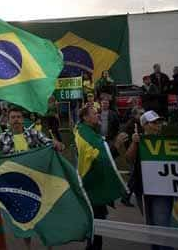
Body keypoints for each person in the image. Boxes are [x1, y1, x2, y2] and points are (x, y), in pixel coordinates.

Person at [0, 107, 62, 250]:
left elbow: (48, 143)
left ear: (22, 119)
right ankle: (28, 247)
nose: (16, 120)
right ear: (8, 120)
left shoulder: (33, 133)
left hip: (36, 182)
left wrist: (56, 144)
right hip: (18, 186)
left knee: (43, 215)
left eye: (18, 117)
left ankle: (48, 245)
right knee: (25, 218)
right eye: (13, 117)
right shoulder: (4, 137)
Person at [125, 110, 174, 250]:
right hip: (143, 189)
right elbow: (129, 159)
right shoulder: (139, 140)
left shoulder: (166, 140)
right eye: (154, 122)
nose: (158, 125)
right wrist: (134, 143)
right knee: (151, 226)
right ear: (144, 125)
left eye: (159, 121)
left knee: (161, 224)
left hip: (163, 191)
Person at [77, 106, 111, 250]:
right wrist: (115, 146)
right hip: (91, 183)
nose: (98, 115)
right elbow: (96, 155)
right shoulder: (84, 133)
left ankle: (93, 245)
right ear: (85, 117)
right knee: (97, 219)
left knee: (98, 218)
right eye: (94, 113)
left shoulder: (90, 131)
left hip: (95, 182)